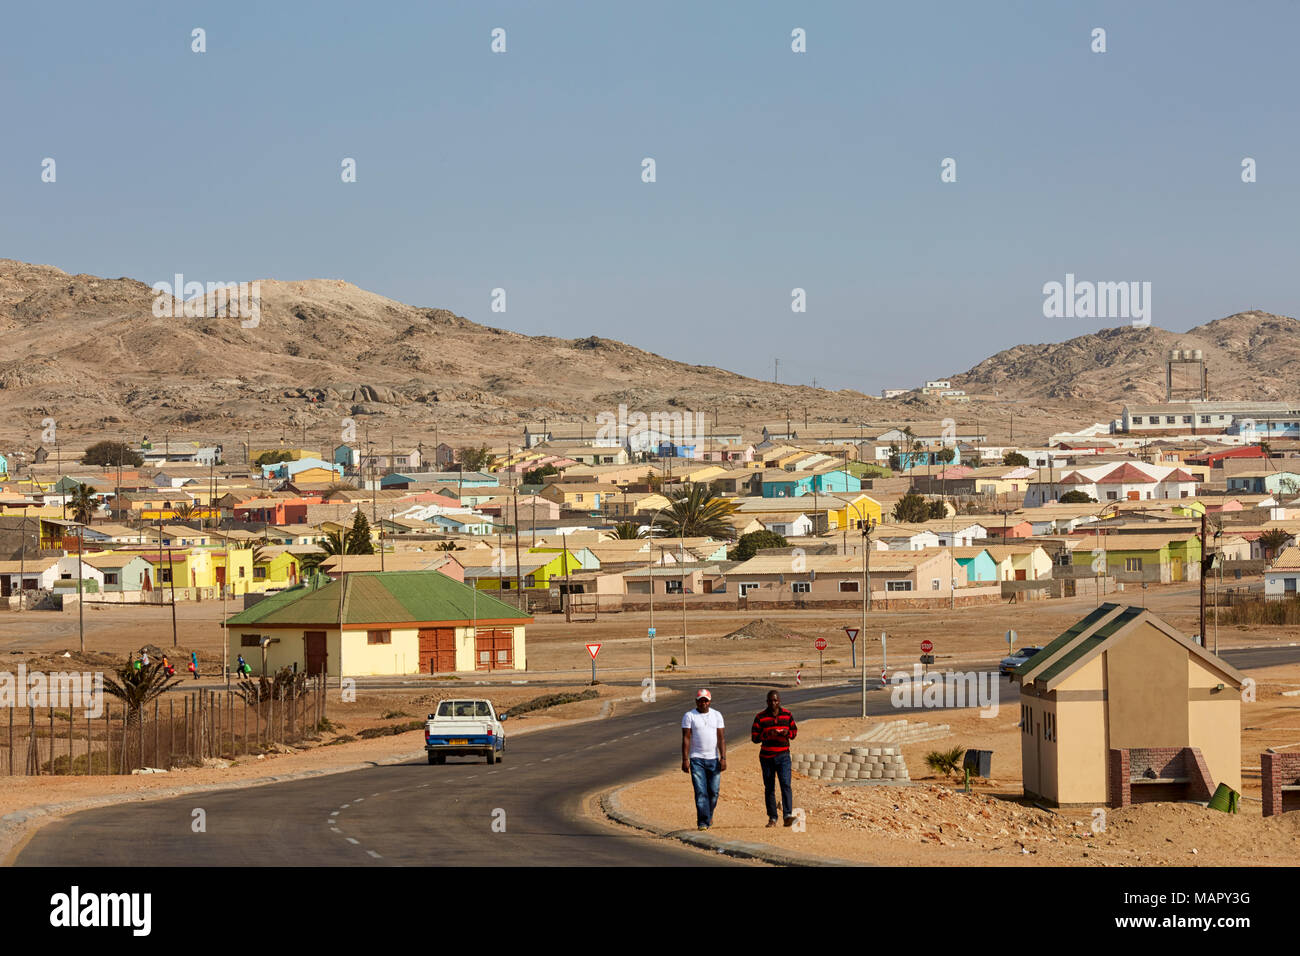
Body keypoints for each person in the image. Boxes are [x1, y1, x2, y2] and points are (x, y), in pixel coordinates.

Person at [751, 689, 798, 827]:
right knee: (769, 787)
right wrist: (767, 734)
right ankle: (772, 817)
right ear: (767, 702)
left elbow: (794, 732)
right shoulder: (760, 717)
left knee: (785, 784)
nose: (773, 703)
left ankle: (787, 815)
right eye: (771, 700)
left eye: (775, 700)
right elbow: (754, 738)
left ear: (779, 701)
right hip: (766, 757)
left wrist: (786, 733)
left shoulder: (787, 715)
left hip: (783, 756)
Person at [681, 688, 726, 831]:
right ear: (696, 701)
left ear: (710, 701)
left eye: (706, 701)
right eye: (701, 701)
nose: (703, 703)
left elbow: (721, 738)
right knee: (701, 792)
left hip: (713, 759)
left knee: (714, 792)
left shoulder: (717, 715)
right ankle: (702, 822)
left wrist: (723, 757)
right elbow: (686, 738)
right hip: (696, 759)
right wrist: (685, 759)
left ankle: (709, 814)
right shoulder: (689, 716)